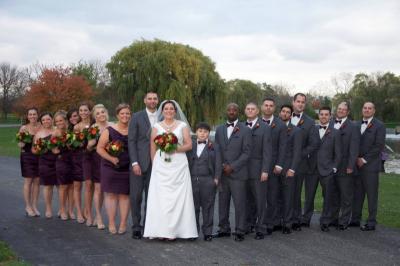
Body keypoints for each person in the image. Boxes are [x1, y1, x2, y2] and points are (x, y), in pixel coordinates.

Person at [143, 100, 198, 240]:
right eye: (166, 108)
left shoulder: (182, 126)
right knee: (161, 198)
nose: (168, 111)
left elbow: (189, 145)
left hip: (178, 165)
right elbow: (152, 147)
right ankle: (161, 231)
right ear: (162, 111)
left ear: (175, 111)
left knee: (178, 198)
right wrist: (155, 162)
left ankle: (177, 231)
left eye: (171, 109)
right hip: (161, 165)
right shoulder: (156, 126)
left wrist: (173, 148)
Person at [215, 103, 251, 242]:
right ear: (226, 111)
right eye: (229, 109)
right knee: (223, 202)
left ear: (238, 112)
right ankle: (224, 228)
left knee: (240, 203)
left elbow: (247, 152)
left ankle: (240, 230)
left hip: (238, 173)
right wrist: (223, 165)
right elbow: (217, 150)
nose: (231, 111)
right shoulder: (219, 129)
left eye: (234, 109)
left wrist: (233, 166)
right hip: (223, 173)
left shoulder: (245, 130)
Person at [303, 107, 341, 232]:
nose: (323, 116)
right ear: (318, 116)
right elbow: (306, 147)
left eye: (326, 114)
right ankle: (305, 219)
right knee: (309, 196)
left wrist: (334, 168)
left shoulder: (335, 132)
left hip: (327, 170)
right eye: (321, 114)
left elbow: (338, 154)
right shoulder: (311, 130)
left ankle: (325, 221)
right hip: (311, 169)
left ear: (330, 116)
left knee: (328, 197)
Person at [97, 103, 131, 235]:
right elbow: (99, 148)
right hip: (110, 167)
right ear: (117, 115)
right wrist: (111, 158)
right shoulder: (109, 130)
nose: (125, 116)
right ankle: (111, 222)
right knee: (111, 195)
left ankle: (123, 223)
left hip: (127, 167)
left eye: (127, 113)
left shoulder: (133, 130)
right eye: (122, 113)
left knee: (124, 195)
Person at [128, 92, 159, 239]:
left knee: (152, 198)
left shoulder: (163, 116)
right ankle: (136, 226)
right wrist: (134, 162)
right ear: (145, 100)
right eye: (150, 99)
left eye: (155, 99)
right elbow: (131, 141)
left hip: (158, 165)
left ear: (158, 101)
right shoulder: (136, 117)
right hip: (138, 164)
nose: (152, 101)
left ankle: (148, 226)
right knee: (136, 196)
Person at [351, 102, 386, 231]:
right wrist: (355, 159)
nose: (367, 110)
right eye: (365, 108)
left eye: (369, 108)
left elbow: (378, 146)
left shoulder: (380, 126)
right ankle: (355, 219)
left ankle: (371, 222)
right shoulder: (356, 124)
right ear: (362, 110)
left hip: (370, 166)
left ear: (374, 111)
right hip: (356, 166)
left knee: (371, 196)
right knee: (357, 194)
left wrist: (364, 159)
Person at [290, 93, 319, 230]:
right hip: (282, 163)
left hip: (300, 163)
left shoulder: (310, 122)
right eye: (298, 101)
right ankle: (280, 218)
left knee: (296, 192)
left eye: (302, 102)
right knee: (280, 191)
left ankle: (295, 220)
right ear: (293, 102)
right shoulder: (283, 117)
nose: (300, 104)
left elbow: (314, 144)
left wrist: (298, 155)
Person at [243, 102, 272, 240]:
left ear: (257, 111)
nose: (250, 111)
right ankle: (248, 225)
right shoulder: (241, 126)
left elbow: (268, 151)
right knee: (247, 200)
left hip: (259, 169)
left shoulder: (265, 127)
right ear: (245, 111)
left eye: (252, 109)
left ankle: (261, 228)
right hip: (243, 170)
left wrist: (265, 170)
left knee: (260, 200)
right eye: (248, 109)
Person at [329, 102, 360, 230]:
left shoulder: (353, 127)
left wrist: (351, 165)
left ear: (347, 112)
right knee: (334, 194)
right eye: (339, 109)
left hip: (345, 166)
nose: (341, 111)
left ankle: (344, 221)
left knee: (346, 196)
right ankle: (333, 218)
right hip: (331, 166)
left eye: (344, 110)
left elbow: (354, 148)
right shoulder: (330, 124)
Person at [186, 122, 219, 241]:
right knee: (193, 207)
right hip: (192, 179)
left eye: (205, 132)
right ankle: (193, 232)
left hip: (208, 180)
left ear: (208, 134)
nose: (202, 134)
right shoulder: (190, 146)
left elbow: (218, 163)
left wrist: (216, 179)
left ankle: (207, 232)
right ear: (196, 132)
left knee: (208, 207)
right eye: (200, 131)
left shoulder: (214, 146)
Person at [262, 98, 287, 234]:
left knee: (272, 197)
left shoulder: (281, 125)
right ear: (262, 107)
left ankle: (269, 224)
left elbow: (283, 147)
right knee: (256, 198)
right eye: (266, 105)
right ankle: (253, 223)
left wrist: (279, 165)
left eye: (271, 106)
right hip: (258, 167)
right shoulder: (255, 123)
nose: (268, 108)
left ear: (274, 108)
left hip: (273, 167)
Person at [277, 104, 302, 234]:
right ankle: (275, 222)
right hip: (273, 169)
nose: (285, 114)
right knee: (274, 196)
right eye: (283, 111)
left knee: (288, 197)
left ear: (291, 115)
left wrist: (292, 169)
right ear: (280, 113)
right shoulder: (272, 128)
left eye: (288, 112)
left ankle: (287, 223)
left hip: (288, 169)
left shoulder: (296, 131)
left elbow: (297, 152)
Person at [86, 104, 111, 230]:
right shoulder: (93, 128)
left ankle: (99, 215)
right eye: (98, 114)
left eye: (102, 112)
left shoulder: (112, 126)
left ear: (106, 112)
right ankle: (99, 216)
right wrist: (91, 144)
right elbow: (88, 148)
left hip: (110, 160)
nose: (101, 115)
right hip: (96, 160)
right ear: (94, 117)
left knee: (106, 190)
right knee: (98, 189)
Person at [32, 112, 57, 218]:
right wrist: (38, 150)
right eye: (43, 120)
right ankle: (48, 208)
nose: (46, 121)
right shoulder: (39, 134)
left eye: (48, 119)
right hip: (45, 162)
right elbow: (33, 150)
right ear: (41, 122)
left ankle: (63, 209)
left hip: (58, 160)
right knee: (48, 186)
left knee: (61, 186)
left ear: (52, 120)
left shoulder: (57, 131)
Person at [18, 107, 41, 217]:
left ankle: (34, 205)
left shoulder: (42, 126)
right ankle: (28, 206)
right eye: (30, 114)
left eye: (34, 114)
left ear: (38, 115)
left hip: (40, 157)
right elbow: (20, 145)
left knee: (37, 181)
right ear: (27, 116)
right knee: (29, 181)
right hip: (27, 156)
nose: (32, 116)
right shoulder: (24, 128)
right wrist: (21, 142)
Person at [72, 103, 92, 224]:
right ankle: (79, 212)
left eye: (86, 110)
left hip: (93, 156)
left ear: (90, 111)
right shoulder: (77, 127)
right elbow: (76, 143)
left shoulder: (94, 123)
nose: (83, 112)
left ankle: (87, 210)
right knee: (78, 185)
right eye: (81, 110)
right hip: (79, 157)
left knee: (90, 186)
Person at [52, 110, 72, 220]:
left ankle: (70, 210)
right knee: (63, 186)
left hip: (72, 161)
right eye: (57, 121)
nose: (59, 123)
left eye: (61, 120)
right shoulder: (55, 133)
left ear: (65, 120)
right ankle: (62, 210)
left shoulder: (70, 131)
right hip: (62, 161)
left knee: (71, 186)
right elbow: (53, 149)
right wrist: (56, 150)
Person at [66, 108, 79, 219]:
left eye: (75, 115)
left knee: (75, 186)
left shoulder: (83, 128)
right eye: (70, 117)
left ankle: (72, 210)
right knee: (66, 186)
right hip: (67, 160)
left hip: (79, 160)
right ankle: (65, 209)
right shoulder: (67, 130)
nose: (73, 118)